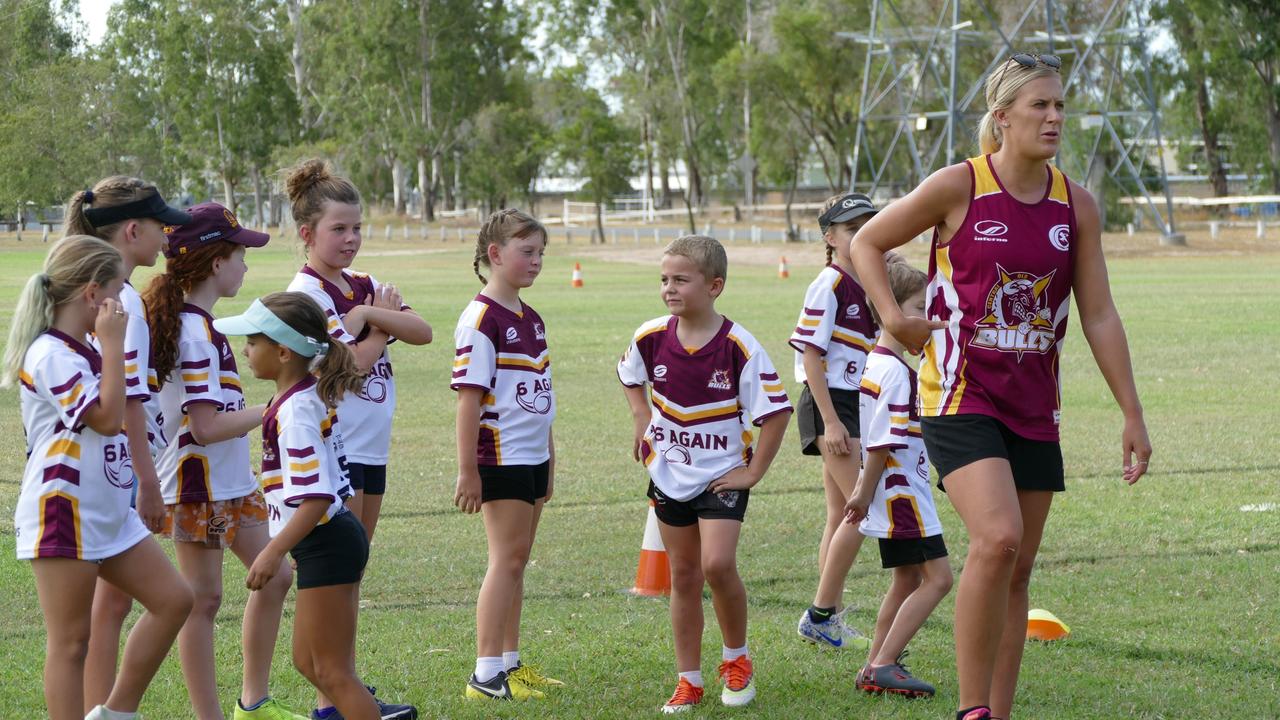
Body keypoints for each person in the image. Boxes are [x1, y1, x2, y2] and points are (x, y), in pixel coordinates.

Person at [850, 53, 1153, 720]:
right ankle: (972, 710)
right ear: (1002, 117)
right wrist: (896, 317)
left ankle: (999, 711)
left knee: (1017, 570)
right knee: (997, 538)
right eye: (1040, 105)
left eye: (1060, 106)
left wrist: (1131, 411)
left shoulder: (1078, 205)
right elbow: (866, 243)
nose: (1054, 117)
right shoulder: (958, 186)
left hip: (1034, 407)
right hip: (960, 395)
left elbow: (1098, 312)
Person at [3, 235, 193, 720]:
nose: (121, 305)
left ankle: (114, 712)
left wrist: (105, 347)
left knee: (174, 600)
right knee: (72, 642)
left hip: (108, 512)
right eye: (115, 292)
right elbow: (108, 418)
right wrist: (112, 343)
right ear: (92, 295)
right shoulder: (49, 354)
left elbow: (123, 414)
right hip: (64, 511)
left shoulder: (85, 348)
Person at [144, 203, 305, 720]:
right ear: (217, 262)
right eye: (240, 254)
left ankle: (252, 704)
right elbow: (205, 427)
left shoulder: (205, 326)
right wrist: (279, 405)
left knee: (277, 576)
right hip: (201, 485)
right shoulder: (194, 334)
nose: (246, 266)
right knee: (202, 601)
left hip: (232, 481)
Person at [618, 235, 793, 713]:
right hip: (670, 472)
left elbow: (776, 414)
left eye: (680, 279)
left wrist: (752, 473)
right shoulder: (649, 336)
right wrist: (641, 419)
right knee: (684, 576)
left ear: (714, 286)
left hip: (721, 476)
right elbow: (630, 376)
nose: (669, 289)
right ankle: (688, 680)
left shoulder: (739, 345)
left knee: (717, 566)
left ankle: (737, 660)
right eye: (664, 279)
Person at [283, 159, 427, 720]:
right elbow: (348, 369)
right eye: (338, 229)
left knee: (352, 569)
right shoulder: (307, 296)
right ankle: (333, 697)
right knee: (332, 574)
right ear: (306, 234)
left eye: (357, 227)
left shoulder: (362, 287)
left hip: (371, 448)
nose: (351, 239)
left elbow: (423, 331)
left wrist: (369, 312)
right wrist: (379, 327)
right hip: (334, 450)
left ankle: (344, 689)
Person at [61, 177, 194, 711]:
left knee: (107, 605)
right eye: (162, 225)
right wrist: (147, 484)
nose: (168, 235)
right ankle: (108, 710)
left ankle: (104, 710)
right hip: (111, 472)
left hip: (87, 467)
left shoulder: (84, 292)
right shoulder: (125, 303)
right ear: (133, 230)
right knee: (108, 608)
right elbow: (130, 405)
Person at [215, 292, 379, 720]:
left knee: (332, 671)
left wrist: (271, 553)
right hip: (325, 542)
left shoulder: (296, 414)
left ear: (283, 352)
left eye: (252, 342)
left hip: (326, 541)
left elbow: (316, 496)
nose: (245, 350)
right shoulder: (296, 399)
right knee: (309, 664)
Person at [452, 209, 562, 701]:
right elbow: (468, 401)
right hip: (501, 458)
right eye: (527, 252)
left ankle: (511, 665)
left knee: (518, 562)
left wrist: (550, 457)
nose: (537, 261)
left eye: (541, 253)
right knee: (506, 561)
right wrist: (467, 471)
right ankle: (484, 673)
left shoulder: (530, 318)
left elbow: (539, 394)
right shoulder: (481, 319)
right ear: (495, 255)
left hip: (532, 456)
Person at [844, 260, 953, 699]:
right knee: (940, 579)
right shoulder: (893, 373)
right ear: (889, 310)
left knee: (907, 579)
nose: (928, 319)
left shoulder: (880, 362)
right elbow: (880, 444)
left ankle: (874, 662)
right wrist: (862, 492)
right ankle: (884, 664)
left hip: (899, 491)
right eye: (917, 307)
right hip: (902, 495)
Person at [790, 192, 880, 650]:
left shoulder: (870, 278)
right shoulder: (829, 283)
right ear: (830, 236)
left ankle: (830, 615)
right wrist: (831, 422)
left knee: (837, 515)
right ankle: (821, 615)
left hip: (857, 404)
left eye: (869, 224)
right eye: (851, 228)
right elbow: (810, 355)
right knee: (863, 508)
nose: (862, 233)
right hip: (832, 405)